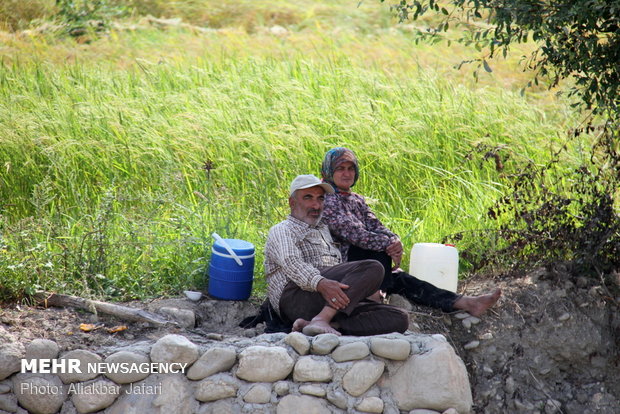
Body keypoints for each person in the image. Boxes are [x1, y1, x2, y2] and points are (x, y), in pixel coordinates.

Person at [320, 147, 501, 317]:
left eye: (351, 168)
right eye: (340, 169)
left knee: (405, 280)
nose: (347, 173)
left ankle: (467, 303)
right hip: (344, 268)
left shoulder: (356, 199)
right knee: (375, 252)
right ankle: (373, 298)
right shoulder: (325, 199)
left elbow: (376, 225)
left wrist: (395, 241)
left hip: (367, 266)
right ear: (329, 172)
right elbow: (354, 234)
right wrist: (388, 245)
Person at [264, 174, 409, 336]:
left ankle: (323, 323)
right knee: (373, 267)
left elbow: (340, 269)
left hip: (330, 299)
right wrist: (321, 283)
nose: (316, 205)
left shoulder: (323, 230)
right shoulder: (282, 229)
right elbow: (292, 263)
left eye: (320, 199)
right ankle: (322, 319)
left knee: (400, 318)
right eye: (308, 198)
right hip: (297, 297)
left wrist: (360, 287)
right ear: (292, 203)